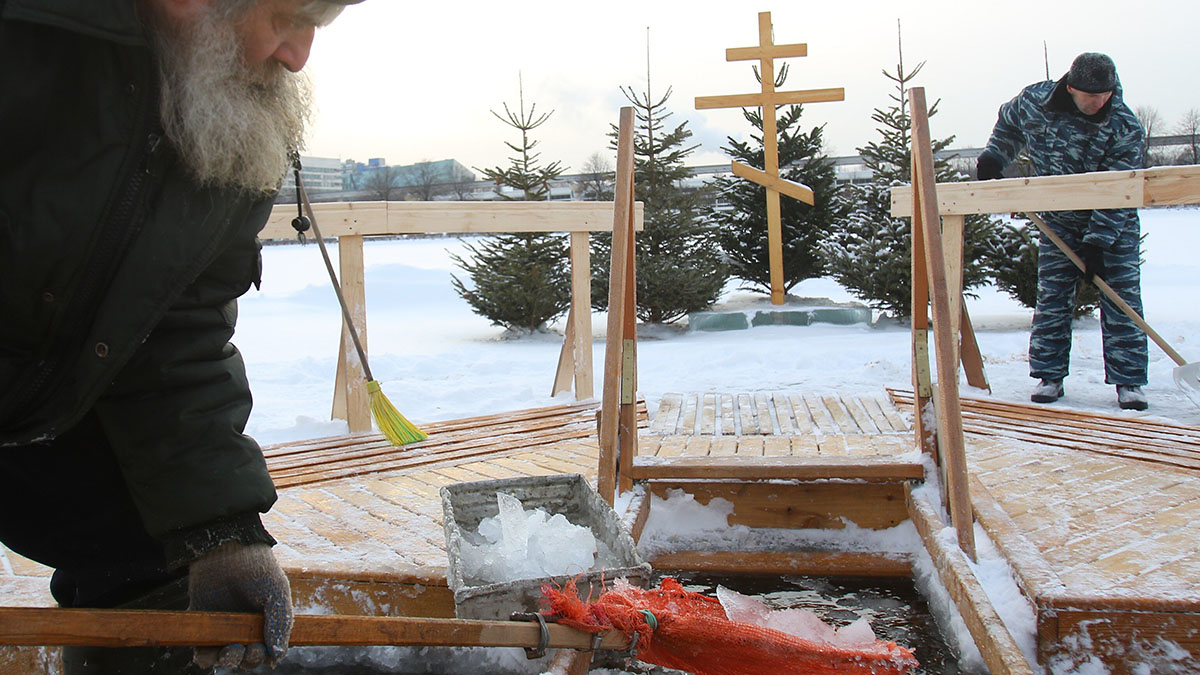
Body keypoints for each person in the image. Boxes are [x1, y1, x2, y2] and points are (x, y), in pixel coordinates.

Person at [0, 0, 361, 671]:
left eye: (319, 27)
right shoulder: (26, 39)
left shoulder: (230, 116)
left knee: (154, 535)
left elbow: (174, 332)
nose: (299, 54)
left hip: (43, 403)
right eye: (287, 17)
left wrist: (217, 532)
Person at [976, 52, 1149, 411]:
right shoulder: (1035, 102)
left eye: (1106, 95)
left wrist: (1098, 242)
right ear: (1071, 88)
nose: (1100, 103)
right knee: (1053, 299)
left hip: (1112, 226)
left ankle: (1129, 382)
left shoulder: (1124, 126)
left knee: (1121, 301)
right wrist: (995, 156)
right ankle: (1049, 377)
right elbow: (1008, 124)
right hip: (1058, 220)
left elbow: (1120, 190)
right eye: (1091, 97)